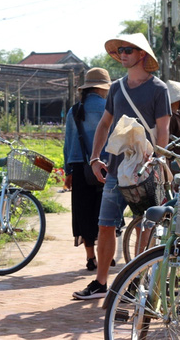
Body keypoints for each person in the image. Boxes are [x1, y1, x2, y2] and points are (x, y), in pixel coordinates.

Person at [72, 33, 172, 300]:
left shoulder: (159, 89)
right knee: (105, 224)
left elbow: (163, 130)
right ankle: (100, 283)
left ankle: (136, 282)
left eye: (129, 49)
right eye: (120, 50)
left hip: (145, 171)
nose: (123, 54)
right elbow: (105, 124)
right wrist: (95, 157)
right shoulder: (116, 88)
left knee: (144, 225)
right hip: (116, 170)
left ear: (142, 55)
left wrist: (158, 162)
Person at [63, 68, 111, 271]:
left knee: (83, 213)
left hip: (79, 167)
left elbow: (68, 143)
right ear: (103, 88)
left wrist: (67, 172)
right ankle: (106, 255)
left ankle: (91, 257)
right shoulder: (109, 108)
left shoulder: (75, 110)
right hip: (106, 167)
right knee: (105, 213)